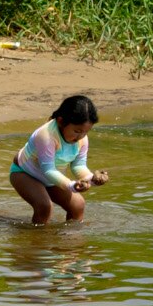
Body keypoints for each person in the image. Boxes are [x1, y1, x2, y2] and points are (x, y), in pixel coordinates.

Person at [10, 93, 104, 224]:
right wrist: (72, 185)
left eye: (85, 132)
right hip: (24, 174)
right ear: (61, 121)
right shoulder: (46, 135)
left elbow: (78, 165)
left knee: (78, 205)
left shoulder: (82, 139)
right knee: (44, 207)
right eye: (77, 131)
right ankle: (38, 243)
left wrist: (91, 178)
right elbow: (48, 169)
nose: (81, 136)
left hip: (51, 178)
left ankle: (70, 241)